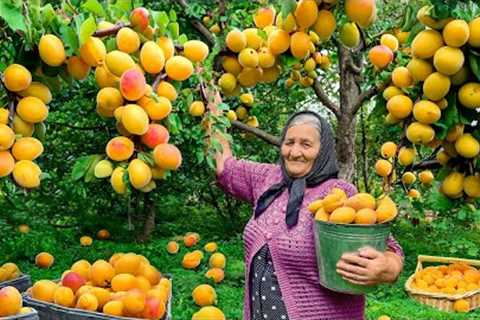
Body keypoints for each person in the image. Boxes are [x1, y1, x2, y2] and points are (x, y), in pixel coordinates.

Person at [214, 110, 404, 320]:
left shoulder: (339, 195)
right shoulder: (267, 178)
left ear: (323, 150)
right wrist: (211, 104)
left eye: (306, 144)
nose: (294, 152)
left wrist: (386, 267)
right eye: (289, 142)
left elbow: (391, 250)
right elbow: (225, 167)